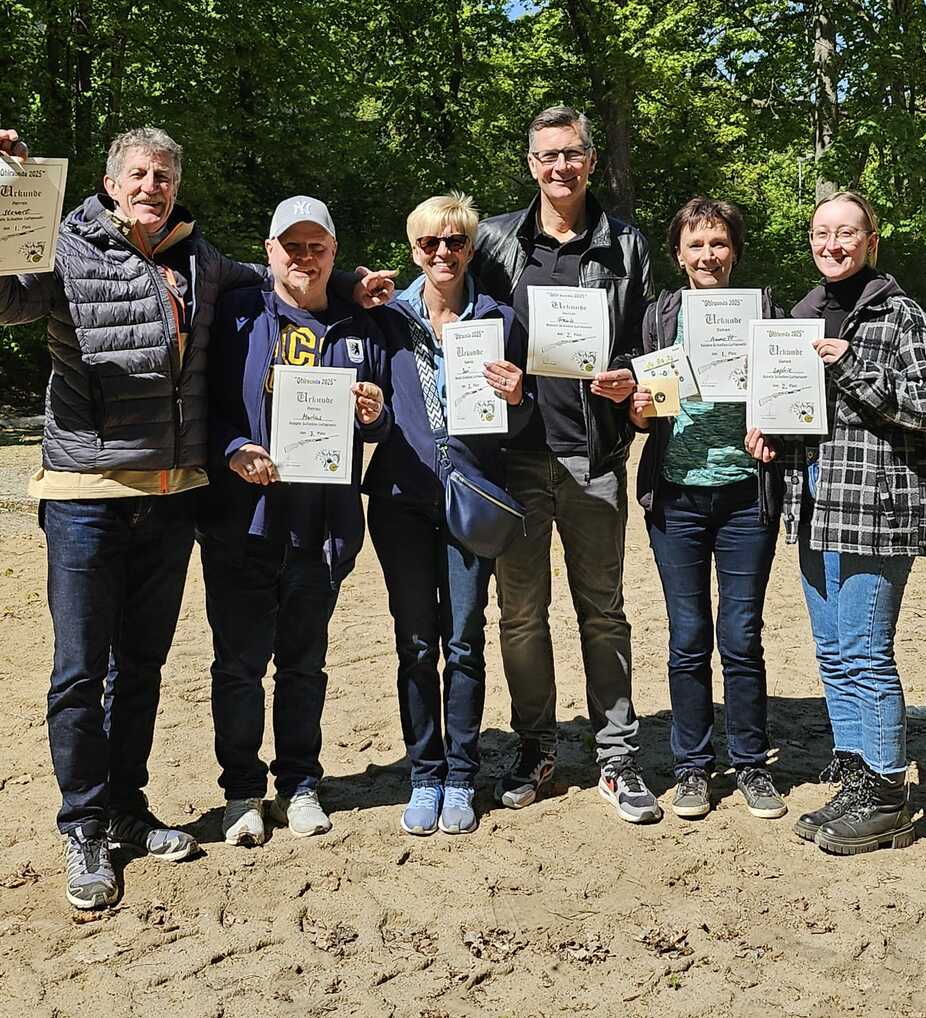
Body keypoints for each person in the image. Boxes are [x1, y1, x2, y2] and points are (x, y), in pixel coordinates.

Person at [0, 126, 395, 911]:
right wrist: (7, 197)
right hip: (86, 494)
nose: (153, 187)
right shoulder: (65, 246)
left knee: (140, 669)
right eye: (139, 175)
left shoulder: (199, 260)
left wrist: (346, 282)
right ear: (112, 184)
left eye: (165, 177)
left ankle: (129, 808)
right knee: (80, 673)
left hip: (173, 496)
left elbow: (281, 273)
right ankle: (84, 825)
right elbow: (7, 298)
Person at [469, 105, 661, 824]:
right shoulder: (493, 240)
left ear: (589, 161)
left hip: (595, 456)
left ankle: (617, 759)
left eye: (572, 154)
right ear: (531, 164)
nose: (560, 167)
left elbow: (648, 338)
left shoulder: (627, 245)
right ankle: (536, 748)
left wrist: (628, 378)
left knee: (603, 612)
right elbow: (445, 297)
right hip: (515, 458)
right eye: (547, 156)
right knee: (520, 615)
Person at [747, 190, 926, 854]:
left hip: (876, 507)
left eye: (845, 233)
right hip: (812, 500)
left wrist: (852, 366)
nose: (830, 244)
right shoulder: (803, 313)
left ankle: (888, 792)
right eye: (820, 233)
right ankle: (858, 769)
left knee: (866, 652)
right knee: (834, 652)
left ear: (871, 241)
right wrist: (771, 434)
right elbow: (802, 414)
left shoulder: (901, 315)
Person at [199, 196, 390, 846]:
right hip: (242, 523)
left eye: (317, 247)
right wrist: (233, 451)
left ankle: (301, 784)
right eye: (292, 246)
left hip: (322, 526)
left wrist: (374, 414)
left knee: (305, 665)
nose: (303, 258)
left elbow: (382, 419)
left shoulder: (358, 322)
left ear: (334, 253)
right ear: (270, 248)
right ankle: (243, 792)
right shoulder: (236, 312)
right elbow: (202, 405)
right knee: (239, 666)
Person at [364, 192, 532, 837]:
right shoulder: (385, 316)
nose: (442, 253)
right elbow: (369, 402)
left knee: (463, 640)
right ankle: (424, 771)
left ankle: (461, 774)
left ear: (469, 248)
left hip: (471, 498)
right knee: (414, 643)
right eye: (429, 243)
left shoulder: (498, 317)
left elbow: (523, 416)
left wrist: (517, 396)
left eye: (454, 242)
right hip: (401, 500)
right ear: (413, 249)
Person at [629, 198, 787, 821]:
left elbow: (790, 392)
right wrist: (638, 408)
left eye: (718, 243)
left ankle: (750, 764)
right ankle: (692, 767)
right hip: (678, 496)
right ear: (678, 255)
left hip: (747, 497)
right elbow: (640, 410)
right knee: (688, 637)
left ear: (735, 251)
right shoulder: (659, 316)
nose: (708, 255)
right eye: (695, 245)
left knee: (742, 637)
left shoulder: (764, 314)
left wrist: (775, 428)